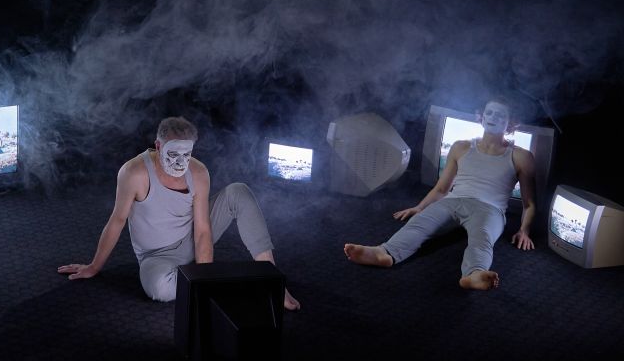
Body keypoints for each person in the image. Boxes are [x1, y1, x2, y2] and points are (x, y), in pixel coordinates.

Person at [58, 116, 300, 310]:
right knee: (158, 289)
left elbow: (203, 230)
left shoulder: (198, 172)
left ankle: (272, 282)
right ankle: (208, 279)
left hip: (192, 238)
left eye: (186, 155)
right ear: (158, 146)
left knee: (238, 191)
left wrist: (204, 281)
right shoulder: (133, 172)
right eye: (173, 154)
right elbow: (117, 221)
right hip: (157, 257)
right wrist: (94, 266)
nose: (180, 162)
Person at [344, 97, 536, 290]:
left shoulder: (521, 156)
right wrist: (419, 207)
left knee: (482, 238)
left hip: (490, 209)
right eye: (489, 112)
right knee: (419, 223)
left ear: (511, 123)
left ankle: (474, 274)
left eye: (500, 114)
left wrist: (524, 230)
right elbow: (441, 189)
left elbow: (529, 204)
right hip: (454, 201)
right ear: (482, 117)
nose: (492, 117)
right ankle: (384, 253)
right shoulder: (461, 147)